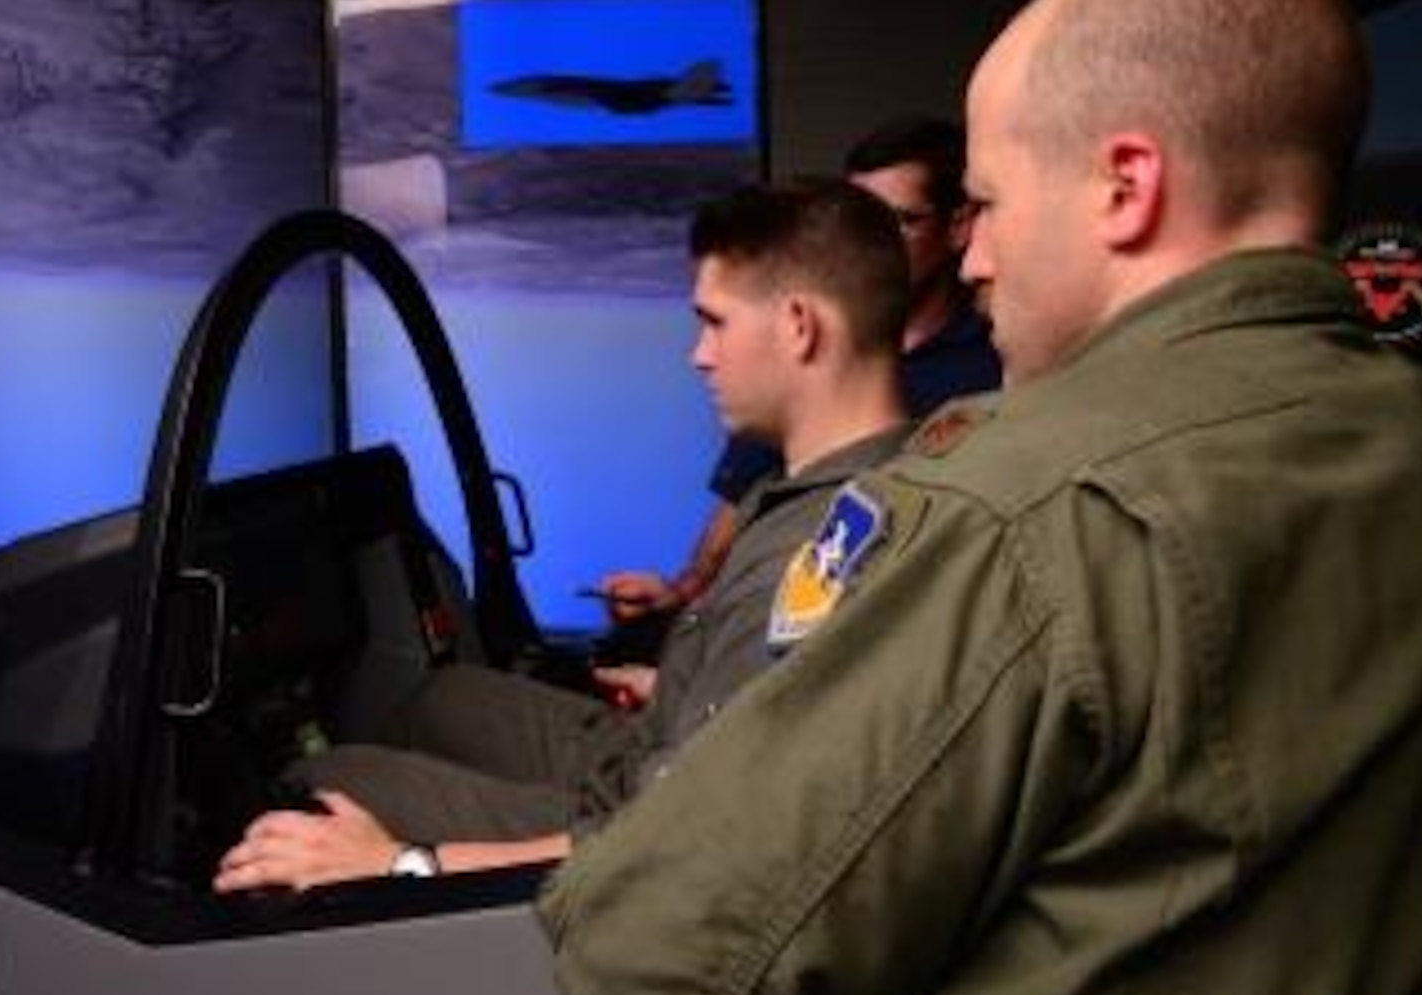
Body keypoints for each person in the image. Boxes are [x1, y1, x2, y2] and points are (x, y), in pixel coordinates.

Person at [538, 0, 1422, 995]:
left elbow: (656, 974)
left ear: (1125, 186)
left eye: (985, 203)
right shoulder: (1411, 431)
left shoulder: (1019, 508)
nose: (967, 261)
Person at [214, 177, 914, 893]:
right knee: (440, 696)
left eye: (715, 322)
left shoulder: (822, 554)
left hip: (633, 824)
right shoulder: (814, 490)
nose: (698, 355)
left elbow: (673, 845)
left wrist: (399, 861)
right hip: (652, 751)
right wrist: (681, 684)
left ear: (799, 325)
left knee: (320, 779)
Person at [599, 117, 999, 623]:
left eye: (898, 220)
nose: (870, 242)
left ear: (959, 226)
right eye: (857, 220)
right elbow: (736, 510)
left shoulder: (998, 374)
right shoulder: (778, 392)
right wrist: (683, 597)